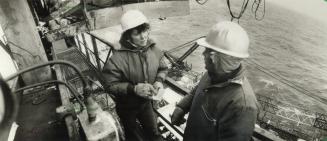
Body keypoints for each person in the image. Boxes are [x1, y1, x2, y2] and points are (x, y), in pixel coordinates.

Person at [171, 21, 259, 141]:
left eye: (206, 50)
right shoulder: (213, 74)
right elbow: (198, 90)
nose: (203, 53)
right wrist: (182, 107)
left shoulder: (242, 105)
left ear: (214, 58)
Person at [102, 10, 167, 141]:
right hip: (126, 106)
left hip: (146, 104)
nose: (143, 37)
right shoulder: (117, 59)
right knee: (133, 135)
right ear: (128, 36)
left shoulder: (154, 49)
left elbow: (163, 68)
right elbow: (109, 84)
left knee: (154, 133)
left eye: (144, 31)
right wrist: (134, 89)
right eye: (137, 34)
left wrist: (159, 81)